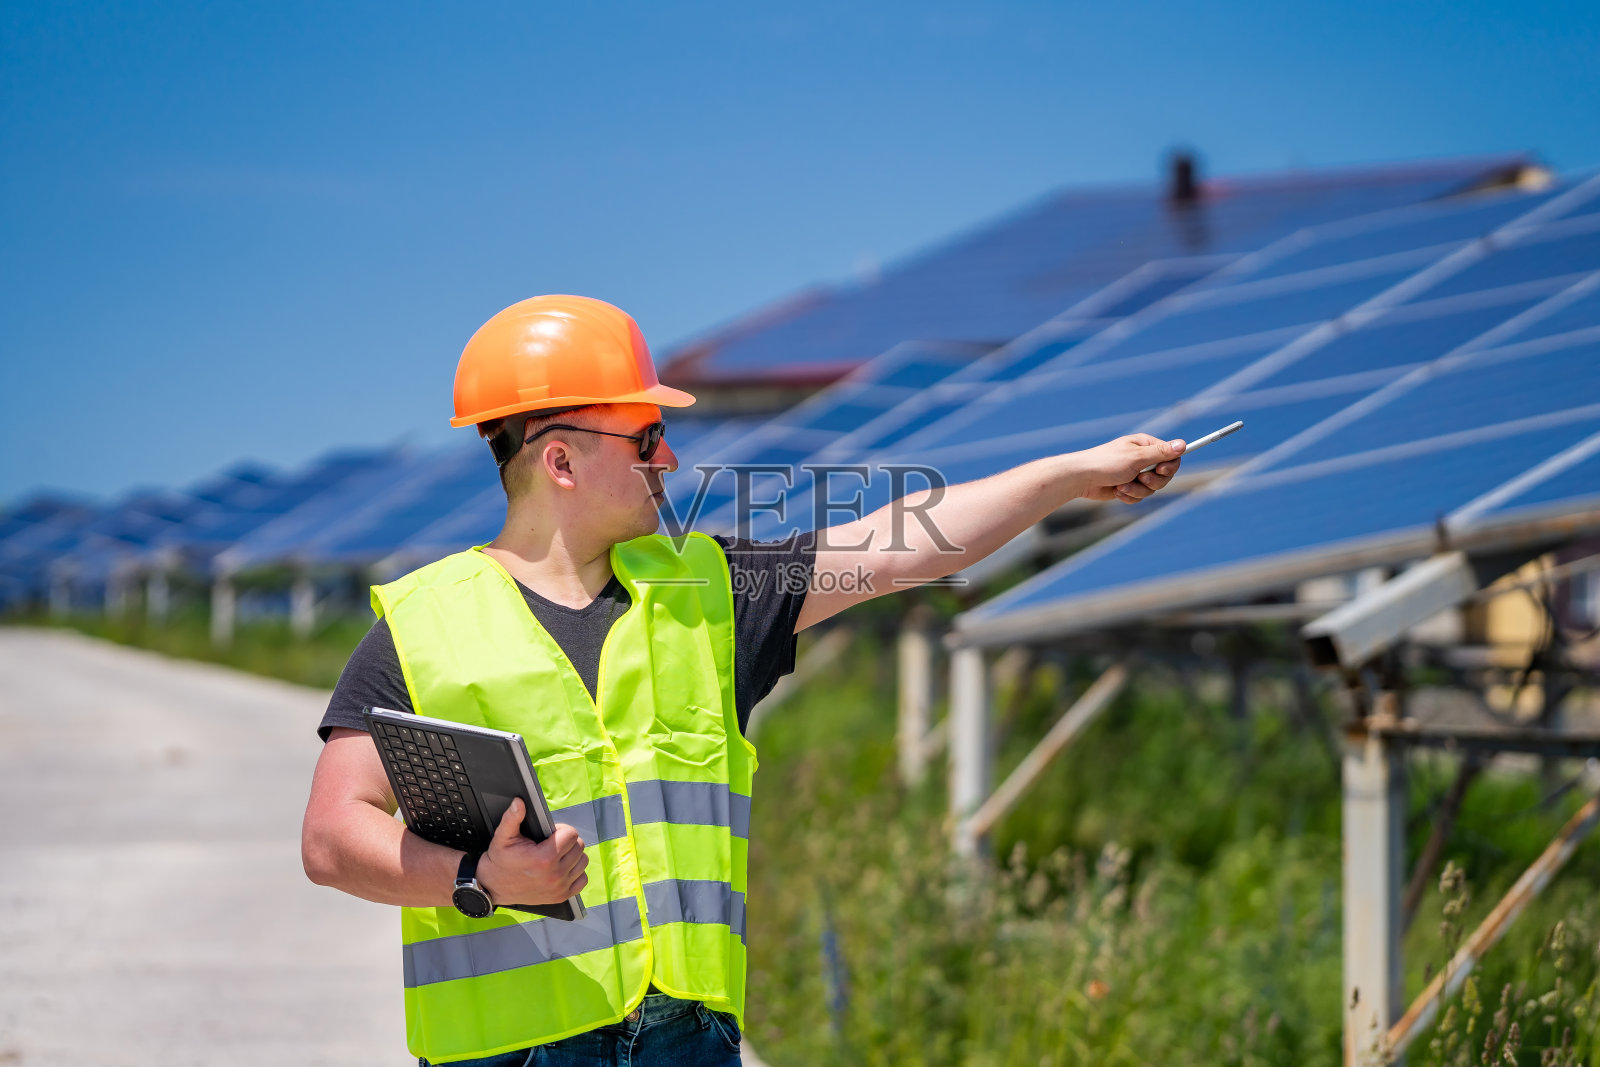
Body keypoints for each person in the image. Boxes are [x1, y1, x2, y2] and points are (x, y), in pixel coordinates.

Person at [301, 294, 1186, 1066]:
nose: (670, 460)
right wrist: (479, 879)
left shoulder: (710, 595)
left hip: (690, 1041)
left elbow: (901, 545)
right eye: (647, 436)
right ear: (560, 460)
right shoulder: (422, 625)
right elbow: (332, 835)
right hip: (506, 1053)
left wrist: (1067, 476)